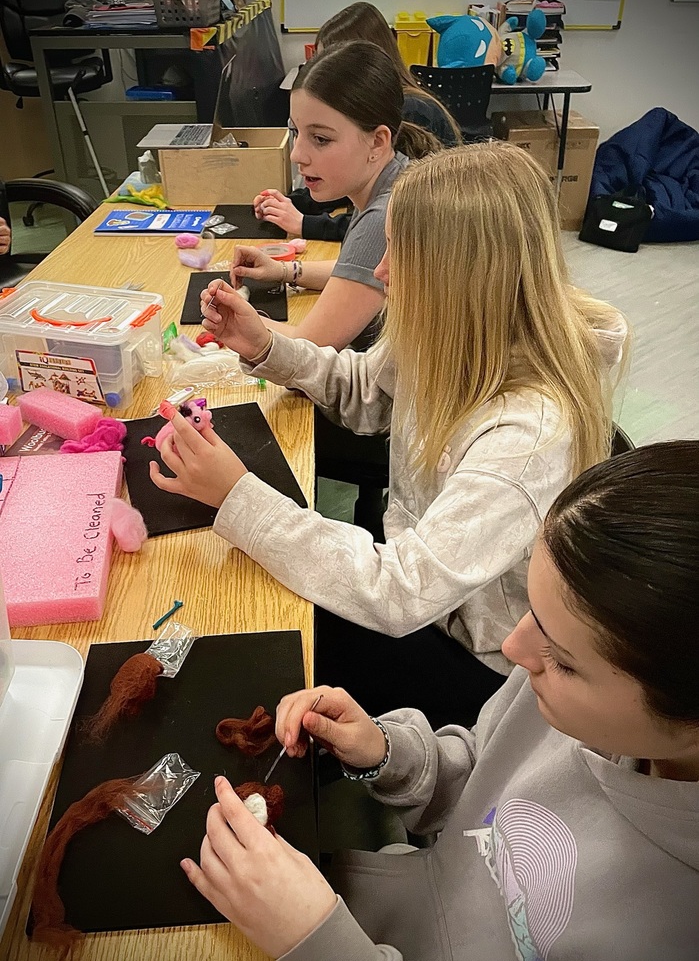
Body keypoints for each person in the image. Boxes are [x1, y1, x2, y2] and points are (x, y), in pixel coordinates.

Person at [181, 440, 699, 961]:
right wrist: (386, 753)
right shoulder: (557, 680)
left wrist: (318, 947)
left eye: (565, 661)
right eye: (534, 611)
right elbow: (484, 780)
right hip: (370, 913)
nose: (513, 647)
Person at [150, 142, 627, 728]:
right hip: (420, 581)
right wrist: (267, 346)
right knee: (261, 599)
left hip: (481, 660)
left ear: (460, 276)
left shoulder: (526, 438)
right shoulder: (454, 330)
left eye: (400, 252)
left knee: (260, 651)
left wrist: (237, 498)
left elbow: (402, 591)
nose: (379, 270)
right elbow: (366, 391)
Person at [230, 39, 440, 352]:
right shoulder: (394, 179)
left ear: (377, 142)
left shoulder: (386, 213)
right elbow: (360, 270)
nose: (297, 155)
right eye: (296, 132)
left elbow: (308, 351)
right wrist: (286, 271)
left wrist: (233, 321)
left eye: (320, 139)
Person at [259, 1, 462, 242]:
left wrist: (304, 224)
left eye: (330, 63)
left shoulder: (412, 113)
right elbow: (352, 182)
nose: (320, 76)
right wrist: (293, 202)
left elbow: (386, 223)